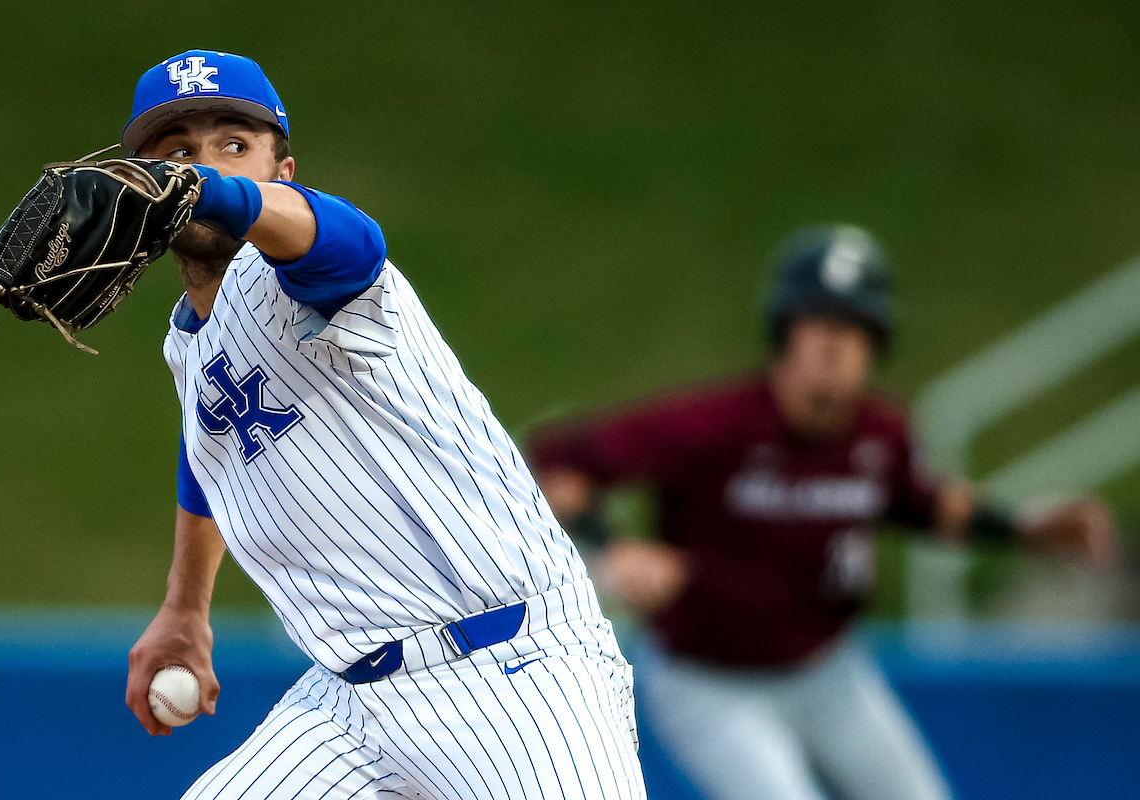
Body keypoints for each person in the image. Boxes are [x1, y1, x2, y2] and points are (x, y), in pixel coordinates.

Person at [120, 49, 646, 800]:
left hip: (513, 671)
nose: (201, 170)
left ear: (286, 172)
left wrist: (216, 193)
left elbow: (353, 241)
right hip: (349, 705)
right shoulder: (190, 338)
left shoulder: (307, 281)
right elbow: (211, 448)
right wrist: (184, 605)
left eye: (234, 146)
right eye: (175, 155)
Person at [528, 225, 1116, 800]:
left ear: (876, 343)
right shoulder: (714, 426)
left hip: (826, 668)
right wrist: (610, 547)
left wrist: (1022, 529)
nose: (832, 342)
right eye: (817, 322)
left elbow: (925, 504)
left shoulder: (881, 435)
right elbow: (556, 464)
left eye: (853, 327)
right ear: (785, 333)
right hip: (709, 680)